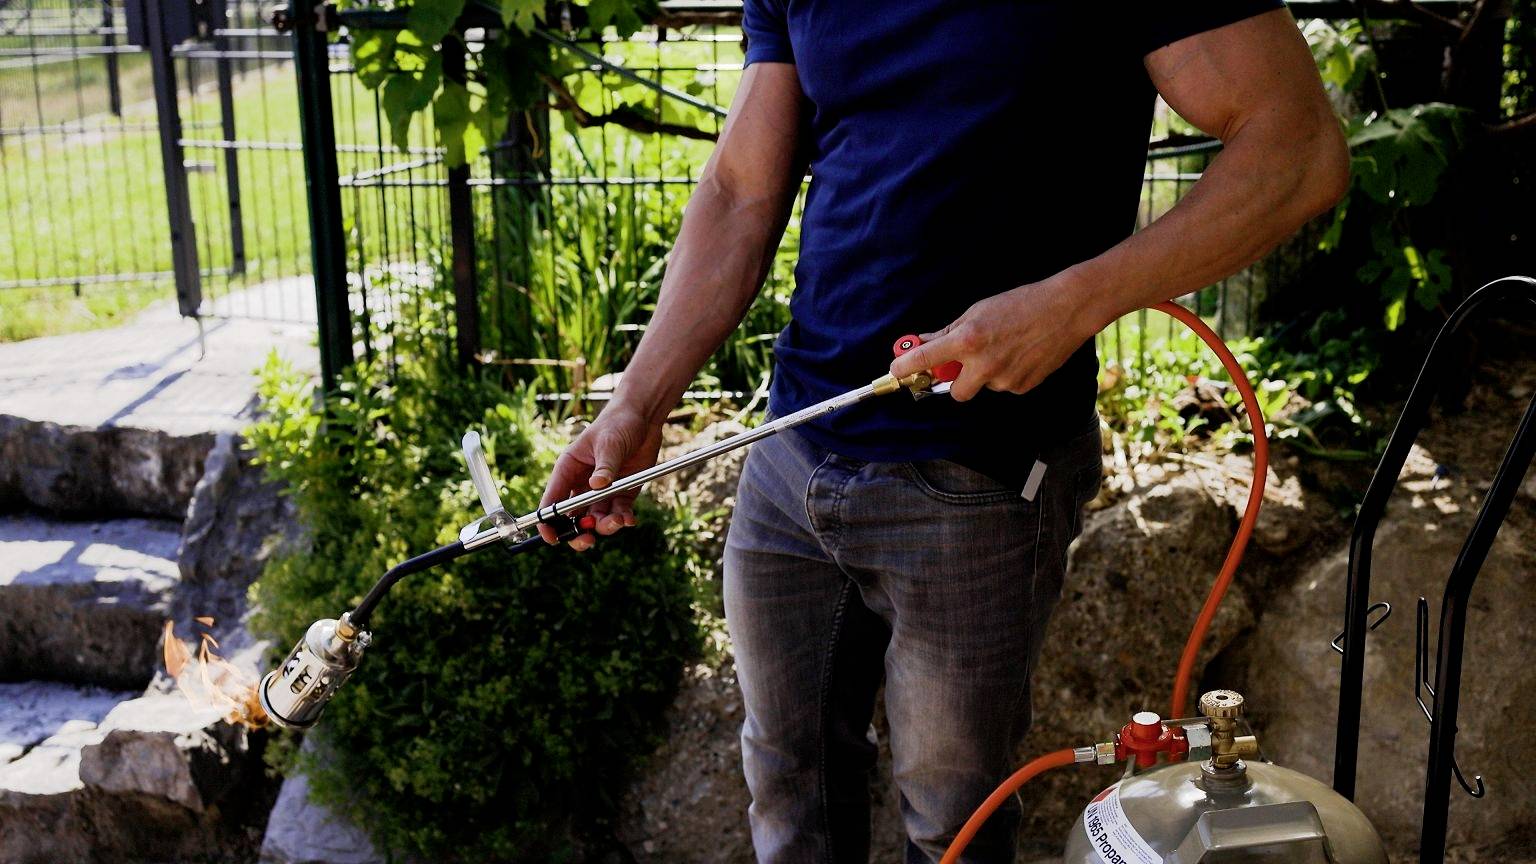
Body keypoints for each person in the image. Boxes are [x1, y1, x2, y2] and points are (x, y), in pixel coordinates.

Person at [538, 3, 1349, 861]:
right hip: (794, 450)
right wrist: (636, 403)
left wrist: (1067, 308)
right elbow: (742, 188)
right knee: (788, 793)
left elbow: (1296, 151)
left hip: (981, 473)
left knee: (950, 825)